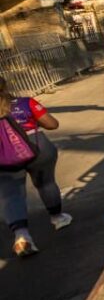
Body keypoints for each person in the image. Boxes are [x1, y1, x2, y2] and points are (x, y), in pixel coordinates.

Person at [1, 77, 69, 257]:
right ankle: (57, 218)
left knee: (10, 193)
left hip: (3, 155)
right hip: (36, 147)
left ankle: (22, 236)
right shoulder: (25, 103)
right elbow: (52, 124)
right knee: (46, 182)